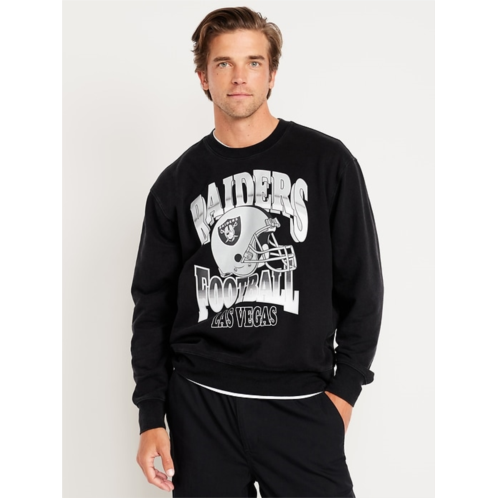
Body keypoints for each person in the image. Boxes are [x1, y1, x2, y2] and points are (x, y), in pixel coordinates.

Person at [131, 6, 384, 498]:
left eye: (253, 62)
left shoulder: (328, 162)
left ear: (272, 75)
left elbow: (364, 287)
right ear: (203, 77)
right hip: (200, 407)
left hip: (302, 404)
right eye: (223, 63)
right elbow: (152, 307)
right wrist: (151, 415)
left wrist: (344, 394)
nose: (239, 77)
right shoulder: (175, 183)